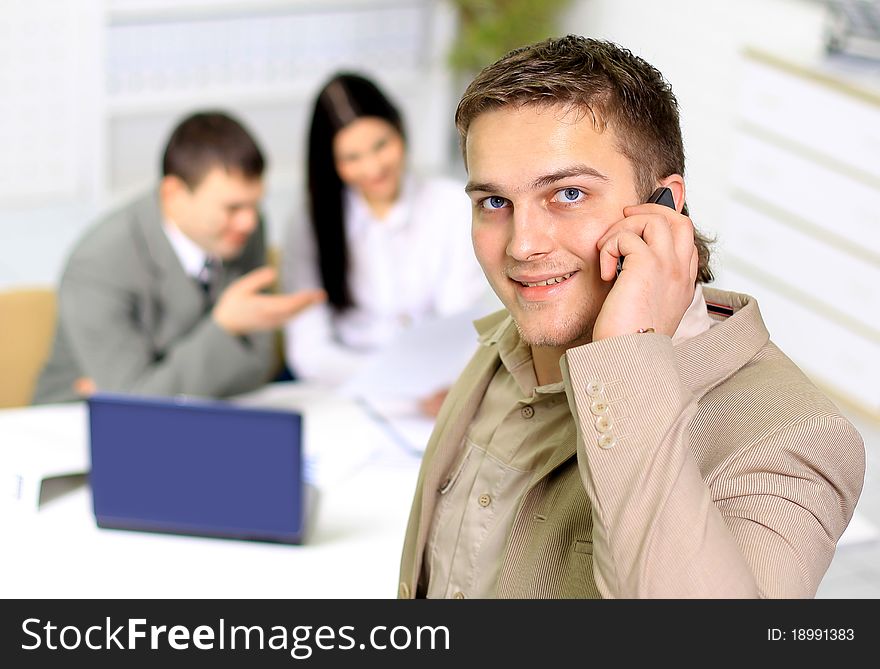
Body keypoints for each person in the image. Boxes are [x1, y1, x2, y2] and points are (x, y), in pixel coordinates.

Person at [398, 36, 865, 598]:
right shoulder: (511, 340)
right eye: (494, 203)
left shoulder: (794, 437)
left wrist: (626, 354)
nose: (522, 245)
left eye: (567, 194)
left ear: (664, 206)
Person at [34, 111, 325, 404]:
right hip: (73, 421)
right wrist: (225, 328)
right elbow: (136, 405)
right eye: (232, 208)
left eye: (255, 205)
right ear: (173, 194)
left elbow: (257, 368)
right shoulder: (99, 262)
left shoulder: (242, 230)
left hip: (210, 411)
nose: (248, 222)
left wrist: (162, 381)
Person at [282, 72, 490, 392]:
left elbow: (459, 325)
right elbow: (308, 351)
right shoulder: (308, 222)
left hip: (439, 387)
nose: (372, 168)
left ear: (400, 130)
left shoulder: (452, 206)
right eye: (351, 158)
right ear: (330, 164)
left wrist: (428, 380)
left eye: (381, 145)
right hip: (344, 388)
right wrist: (395, 380)